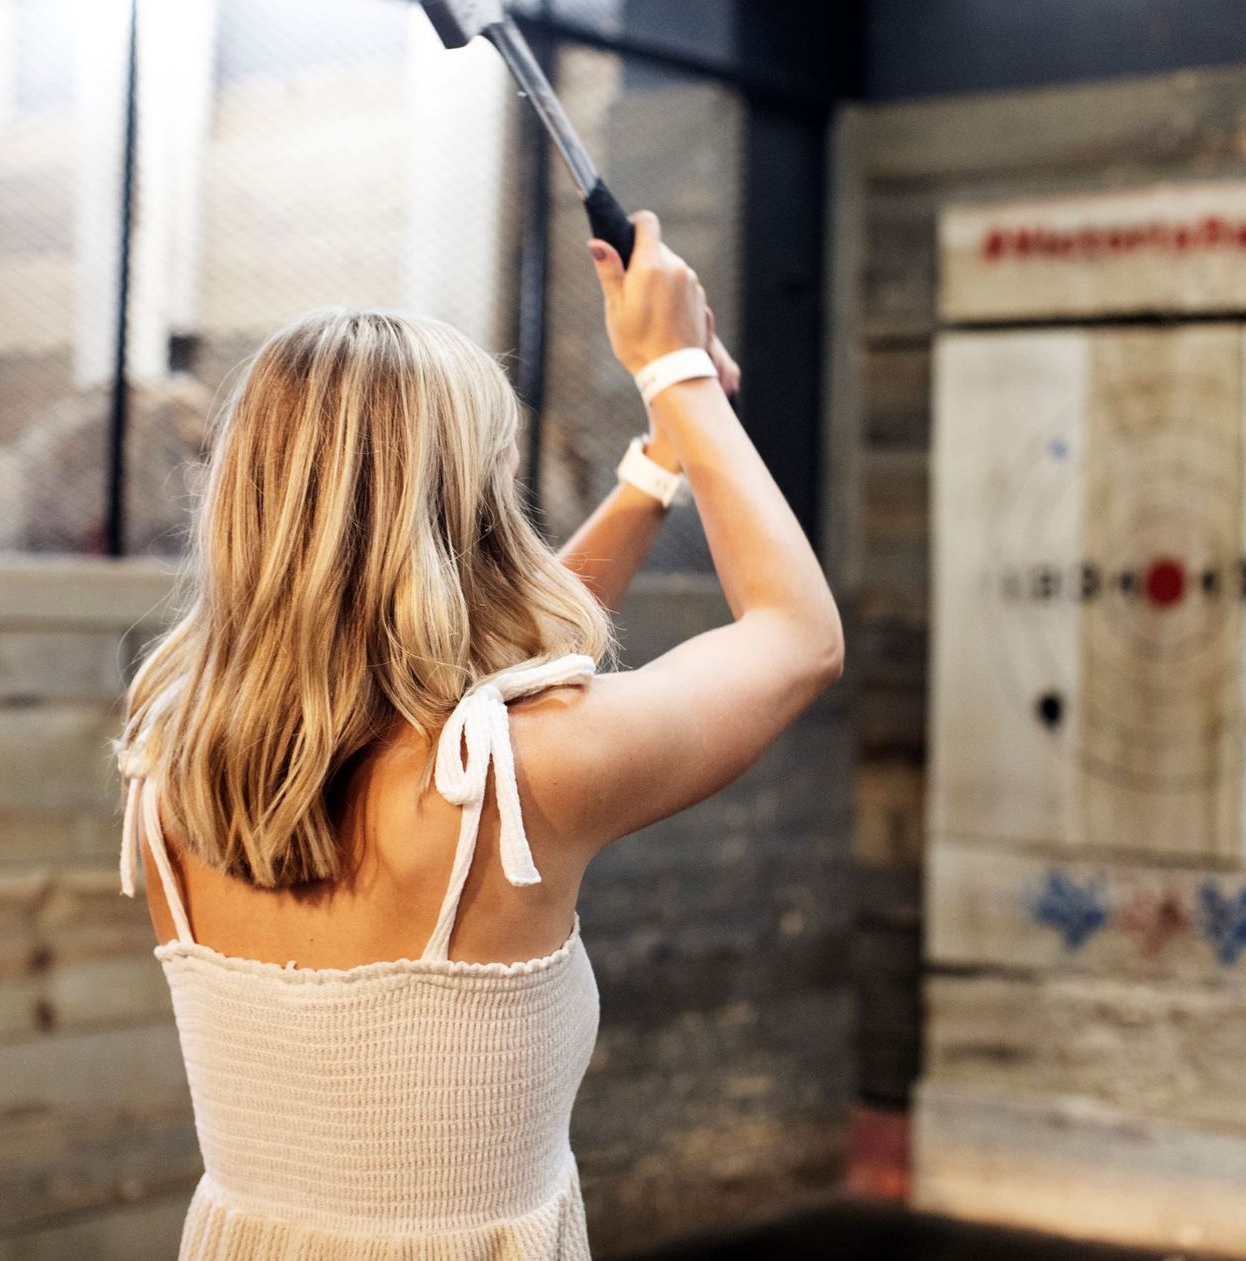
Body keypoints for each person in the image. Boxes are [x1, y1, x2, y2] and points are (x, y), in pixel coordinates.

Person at [114, 212, 842, 1258]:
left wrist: (652, 472)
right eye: (497, 480)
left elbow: (491, 679)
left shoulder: (168, 763)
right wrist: (674, 369)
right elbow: (798, 637)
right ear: (461, 515)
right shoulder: (523, 779)